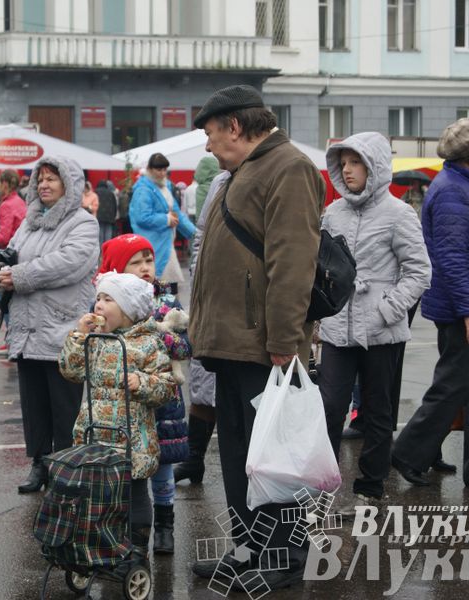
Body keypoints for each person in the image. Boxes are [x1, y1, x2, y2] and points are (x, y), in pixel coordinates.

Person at [188, 85, 324, 590]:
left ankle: (284, 556)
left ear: (235, 126)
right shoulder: (243, 171)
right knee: (242, 457)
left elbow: (293, 262)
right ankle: (248, 549)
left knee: (276, 460)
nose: (207, 145)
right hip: (234, 342)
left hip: (266, 345)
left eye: (210, 133)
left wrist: (285, 340)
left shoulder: (289, 167)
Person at [391, 117, 469, 489]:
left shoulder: (464, 186)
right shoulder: (452, 191)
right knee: (454, 385)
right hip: (465, 309)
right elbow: (450, 257)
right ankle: (408, 452)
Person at [317, 132, 432, 507]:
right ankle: (322, 484)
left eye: (356, 163)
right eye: (343, 163)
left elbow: (419, 271)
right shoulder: (332, 212)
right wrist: (317, 315)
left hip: (382, 329)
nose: (348, 170)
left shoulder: (399, 213)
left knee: (378, 411)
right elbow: (321, 268)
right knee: (329, 407)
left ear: (375, 167)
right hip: (337, 326)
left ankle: (371, 486)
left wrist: (389, 308)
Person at [0, 156, 99, 494]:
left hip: (61, 328)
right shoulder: (30, 222)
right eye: (41, 179)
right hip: (26, 329)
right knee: (34, 404)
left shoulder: (83, 222)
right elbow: (9, 254)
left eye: (52, 179)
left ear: (69, 184)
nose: (43, 185)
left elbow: (69, 263)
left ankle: (65, 466)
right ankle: (39, 462)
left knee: (64, 406)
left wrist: (19, 275)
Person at [59, 272, 178, 572]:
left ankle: (137, 550)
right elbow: (72, 371)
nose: (98, 305)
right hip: (96, 435)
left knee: (135, 495)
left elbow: (167, 387)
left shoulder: (149, 343)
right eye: (98, 298)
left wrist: (143, 382)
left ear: (128, 309)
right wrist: (79, 336)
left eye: (108, 299)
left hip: (132, 441)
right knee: (98, 498)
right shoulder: (96, 339)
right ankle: (100, 547)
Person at [98, 233, 190, 555]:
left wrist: (160, 334)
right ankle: (126, 529)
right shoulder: (108, 307)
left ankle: (165, 525)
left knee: (162, 467)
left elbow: (185, 347)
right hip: (124, 406)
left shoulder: (167, 303)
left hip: (162, 401)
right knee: (127, 469)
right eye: (135, 263)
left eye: (148, 260)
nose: (145, 267)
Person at [173, 167, 230, 486]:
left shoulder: (270, 174)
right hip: (209, 302)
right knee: (203, 383)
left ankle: (248, 471)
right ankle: (193, 459)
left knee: (238, 393)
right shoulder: (221, 182)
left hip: (246, 305)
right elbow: (201, 236)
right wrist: (198, 280)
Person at [129, 153, 196, 285]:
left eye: (165, 169)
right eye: (159, 169)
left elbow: (176, 214)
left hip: (165, 244)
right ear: (150, 169)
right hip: (152, 245)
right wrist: (166, 219)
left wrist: (195, 233)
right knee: (156, 285)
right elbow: (142, 217)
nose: (162, 173)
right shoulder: (143, 189)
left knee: (167, 286)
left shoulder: (165, 186)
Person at [95, 180, 118, 245]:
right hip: (110, 216)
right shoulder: (111, 193)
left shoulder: (96, 192)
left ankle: (101, 248)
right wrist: (114, 216)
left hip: (99, 215)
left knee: (100, 232)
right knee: (108, 232)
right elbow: (115, 205)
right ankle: (107, 247)